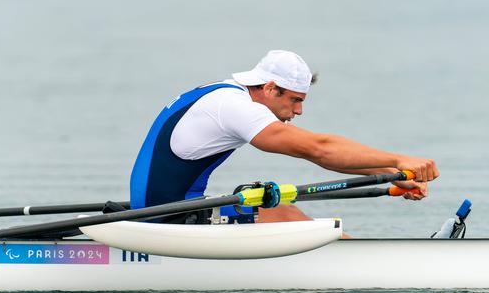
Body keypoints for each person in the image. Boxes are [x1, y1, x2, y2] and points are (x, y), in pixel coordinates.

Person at [129, 50, 439, 223]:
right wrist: (398, 160)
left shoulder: (224, 94)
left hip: (164, 208)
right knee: (285, 218)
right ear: (268, 88)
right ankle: (369, 269)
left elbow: (318, 153)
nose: (299, 110)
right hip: (165, 220)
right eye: (294, 100)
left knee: (279, 208)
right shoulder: (234, 107)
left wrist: (389, 174)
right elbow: (319, 149)